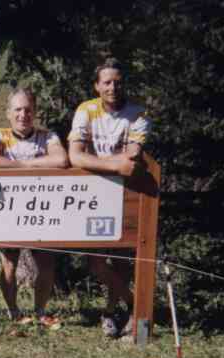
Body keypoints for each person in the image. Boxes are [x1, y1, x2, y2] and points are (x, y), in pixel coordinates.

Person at [67, 57, 150, 338]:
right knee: (96, 262)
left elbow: (134, 154)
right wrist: (115, 165)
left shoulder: (138, 113)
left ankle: (112, 313)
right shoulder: (86, 110)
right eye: (107, 82)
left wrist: (98, 160)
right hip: (93, 194)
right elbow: (75, 155)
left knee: (124, 259)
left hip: (127, 193)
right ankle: (133, 302)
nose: (113, 87)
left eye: (117, 82)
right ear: (97, 86)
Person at [0, 88, 68, 327]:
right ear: (9, 113)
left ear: (35, 112)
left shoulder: (47, 136)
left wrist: (19, 165)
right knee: (9, 262)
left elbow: (61, 160)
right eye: (18, 109)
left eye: (28, 109)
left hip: (42, 209)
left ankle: (40, 312)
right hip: (8, 209)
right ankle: (14, 313)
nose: (23, 114)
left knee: (46, 263)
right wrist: (29, 165)